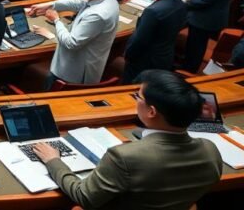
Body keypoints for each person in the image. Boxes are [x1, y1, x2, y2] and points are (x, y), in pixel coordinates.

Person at [33, 70, 222, 210]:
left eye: (138, 96)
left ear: (151, 111)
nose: (135, 99)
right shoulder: (211, 151)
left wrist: (53, 161)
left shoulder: (124, 156)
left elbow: (84, 196)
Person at [30, 0, 120, 88]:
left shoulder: (99, 14)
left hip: (74, 73)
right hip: (72, 64)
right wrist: (51, 5)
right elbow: (79, 1)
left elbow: (71, 43)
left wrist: (56, 20)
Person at [122, 0, 187, 83]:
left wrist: (128, 55)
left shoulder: (153, 11)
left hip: (145, 62)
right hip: (164, 57)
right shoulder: (180, 4)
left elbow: (140, 40)